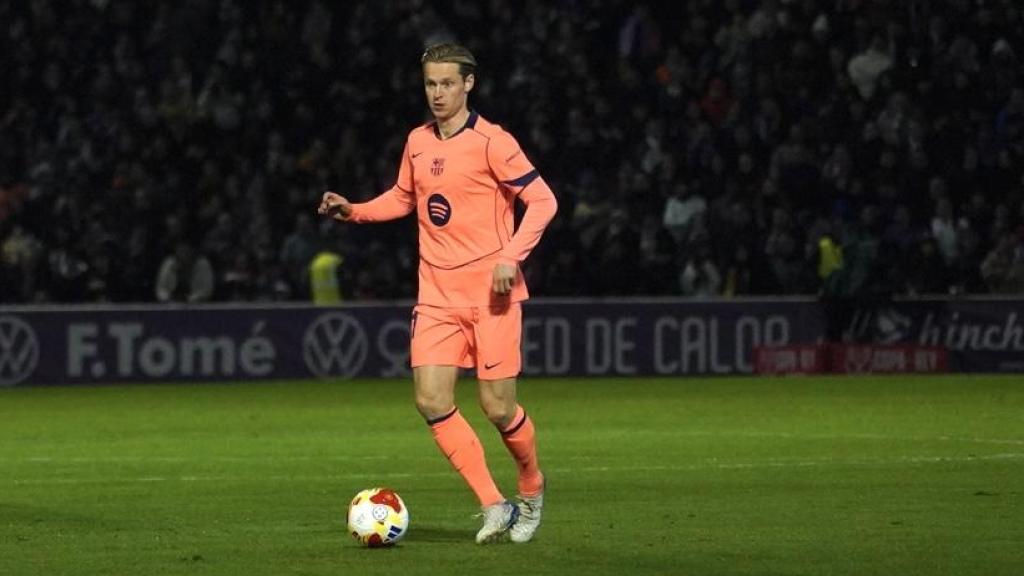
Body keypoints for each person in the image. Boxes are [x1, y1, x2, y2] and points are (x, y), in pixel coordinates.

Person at [318, 43, 557, 544]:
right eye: (431, 84)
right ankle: (494, 505)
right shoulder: (418, 142)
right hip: (437, 296)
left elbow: (542, 201)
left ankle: (531, 487)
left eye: (448, 83)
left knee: (497, 409)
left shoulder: (494, 142)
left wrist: (510, 257)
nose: (438, 93)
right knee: (430, 400)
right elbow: (404, 197)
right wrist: (354, 210)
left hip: (491, 298)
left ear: (468, 84)